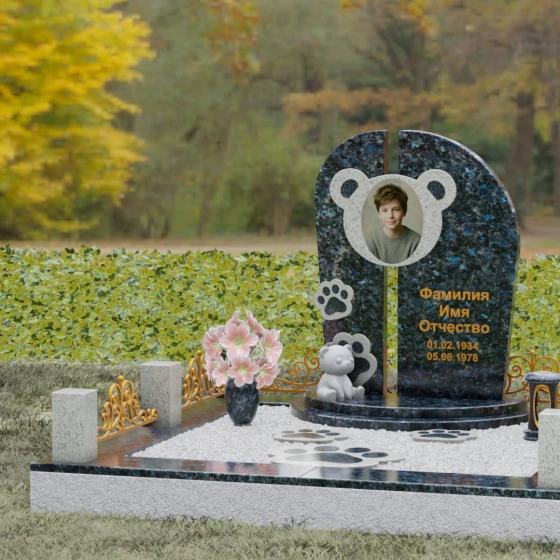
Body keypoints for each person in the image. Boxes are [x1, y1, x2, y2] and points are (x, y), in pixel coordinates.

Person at [365, 184, 421, 264]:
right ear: (379, 214)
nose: (390, 216)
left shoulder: (416, 242)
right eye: (385, 210)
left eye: (396, 209)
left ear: (404, 211)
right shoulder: (370, 241)